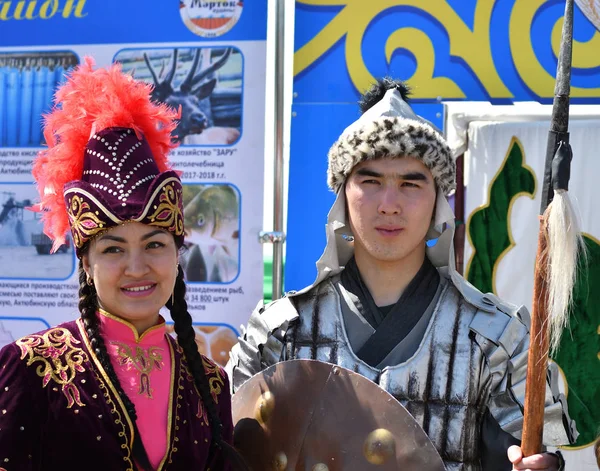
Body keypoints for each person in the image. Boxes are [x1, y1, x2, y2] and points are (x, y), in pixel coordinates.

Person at [226, 79, 577, 470]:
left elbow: (530, 454)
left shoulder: (497, 339)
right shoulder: (277, 333)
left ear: (438, 202)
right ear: (343, 194)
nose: (389, 204)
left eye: (411, 183)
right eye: (370, 181)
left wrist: (539, 465)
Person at [0, 58, 247, 470]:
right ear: (86, 262)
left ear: (177, 252)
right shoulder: (32, 369)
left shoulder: (209, 382)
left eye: (154, 245)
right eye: (113, 249)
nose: (137, 267)